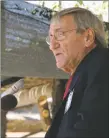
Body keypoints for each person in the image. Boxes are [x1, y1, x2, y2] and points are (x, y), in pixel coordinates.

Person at [45, 7, 109, 138]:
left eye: (60, 34)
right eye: (50, 37)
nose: (52, 45)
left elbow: (91, 130)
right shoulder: (85, 72)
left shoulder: (103, 64)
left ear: (88, 37)